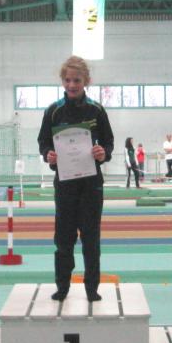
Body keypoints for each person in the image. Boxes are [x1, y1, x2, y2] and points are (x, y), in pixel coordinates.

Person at [37, 55, 114, 302]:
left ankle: (92, 288)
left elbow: (109, 142)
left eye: (77, 80)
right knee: (64, 239)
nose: (72, 85)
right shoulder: (53, 111)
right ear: (62, 81)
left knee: (91, 239)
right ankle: (62, 287)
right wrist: (48, 154)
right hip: (65, 185)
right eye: (68, 80)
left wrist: (103, 153)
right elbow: (43, 142)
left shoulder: (97, 110)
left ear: (86, 81)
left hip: (91, 186)